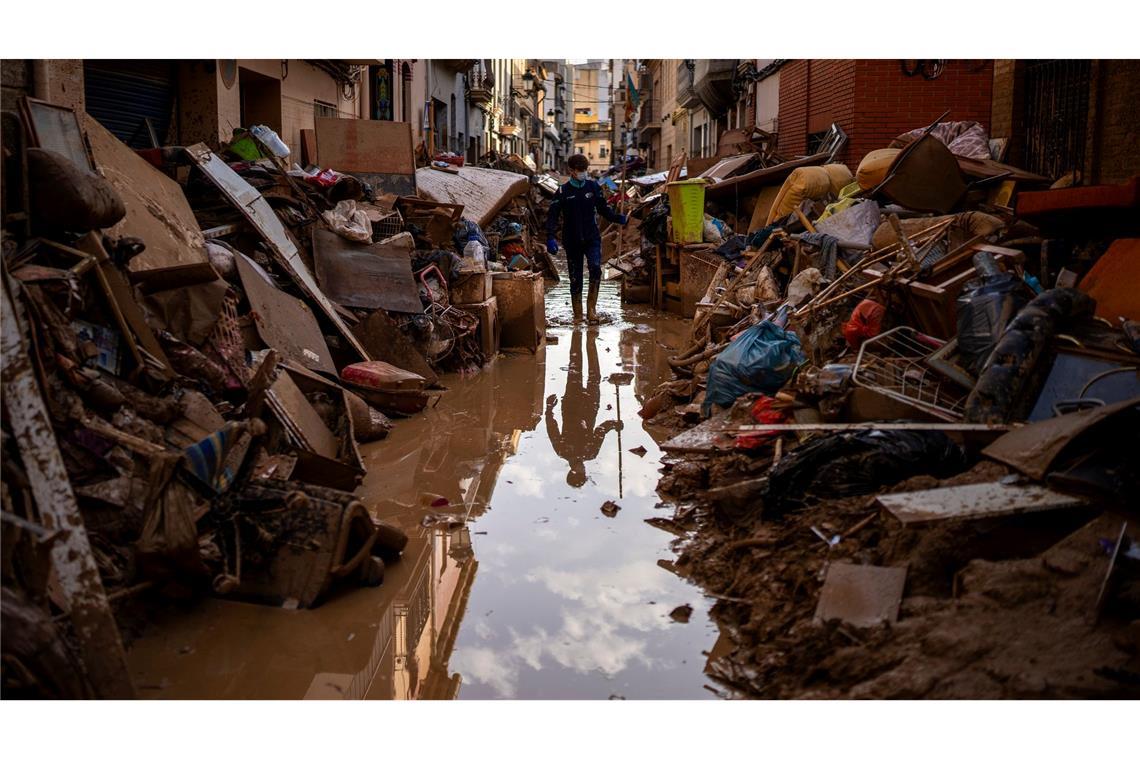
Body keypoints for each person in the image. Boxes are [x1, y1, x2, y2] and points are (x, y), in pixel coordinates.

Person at [546, 154, 629, 324]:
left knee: (595, 268)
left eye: (585, 170)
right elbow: (552, 216)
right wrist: (550, 237)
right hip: (572, 240)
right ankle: (577, 314)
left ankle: (591, 310)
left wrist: (617, 218)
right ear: (571, 170)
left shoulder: (593, 187)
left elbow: (603, 209)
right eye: (579, 170)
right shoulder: (562, 191)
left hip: (592, 237)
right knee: (575, 276)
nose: (583, 173)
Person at [545, 329, 622, 487]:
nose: (584, 469)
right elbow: (552, 427)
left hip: (583, 405)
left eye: (583, 472)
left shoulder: (587, 453)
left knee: (587, 371)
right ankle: (582, 335)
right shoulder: (565, 451)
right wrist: (613, 424)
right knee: (577, 366)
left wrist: (613, 424)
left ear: (578, 472)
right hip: (575, 405)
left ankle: (587, 338)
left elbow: (600, 430)